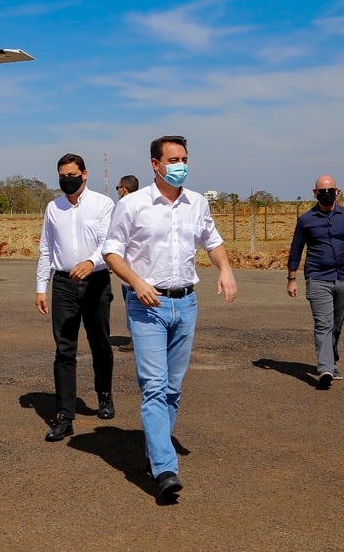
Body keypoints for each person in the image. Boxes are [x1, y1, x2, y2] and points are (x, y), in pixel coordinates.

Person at [102, 135, 237, 498]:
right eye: (173, 159)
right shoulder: (133, 205)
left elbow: (213, 242)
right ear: (155, 164)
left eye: (185, 158)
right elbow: (111, 252)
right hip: (147, 304)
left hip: (186, 304)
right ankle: (164, 468)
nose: (181, 165)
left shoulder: (196, 204)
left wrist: (225, 269)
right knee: (155, 387)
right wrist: (136, 282)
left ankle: (155, 448)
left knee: (173, 389)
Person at [36, 153, 116, 442]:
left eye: (72, 175)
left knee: (100, 345)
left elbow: (110, 243)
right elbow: (46, 249)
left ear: (85, 174)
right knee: (64, 350)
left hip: (96, 282)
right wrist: (40, 287)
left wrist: (92, 262)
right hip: (64, 284)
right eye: (62, 176)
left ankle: (104, 395)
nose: (67, 180)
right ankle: (64, 416)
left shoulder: (103, 204)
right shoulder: (53, 208)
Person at [287, 175, 344, 389]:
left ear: (337, 191)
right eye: (322, 191)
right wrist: (292, 279)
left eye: (330, 190)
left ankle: (331, 360)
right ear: (315, 193)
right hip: (317, 278)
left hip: (342, 277)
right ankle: (325, 369)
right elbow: (296, 250)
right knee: (323, 324)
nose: (326, 194)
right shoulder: (306, 220)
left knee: (336, 325)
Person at [115, 174, 140, 353]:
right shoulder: (144, 203)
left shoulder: (124, 205)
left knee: (132, 303)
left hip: (129, 265)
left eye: (118, 187)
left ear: (124, 188)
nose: (117, 191)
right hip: (143, 264)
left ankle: (136, 338)